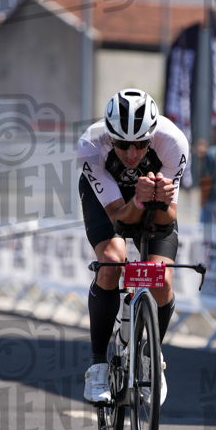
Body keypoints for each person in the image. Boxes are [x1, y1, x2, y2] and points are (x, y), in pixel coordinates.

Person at [78, 88, 188, 405]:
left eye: (141, 143)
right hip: (110, 205)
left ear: (152, 136)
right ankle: (98, 365)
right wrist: (139, 199)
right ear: (110, 136)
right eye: (123, 143)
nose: (131, 153)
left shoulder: (173, 142)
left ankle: (151, 357)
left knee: (160, 278)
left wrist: (160, 198)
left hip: (150, 201)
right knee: (112, 264)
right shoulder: (90, 145)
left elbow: (168, 219)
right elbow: (118, 220)